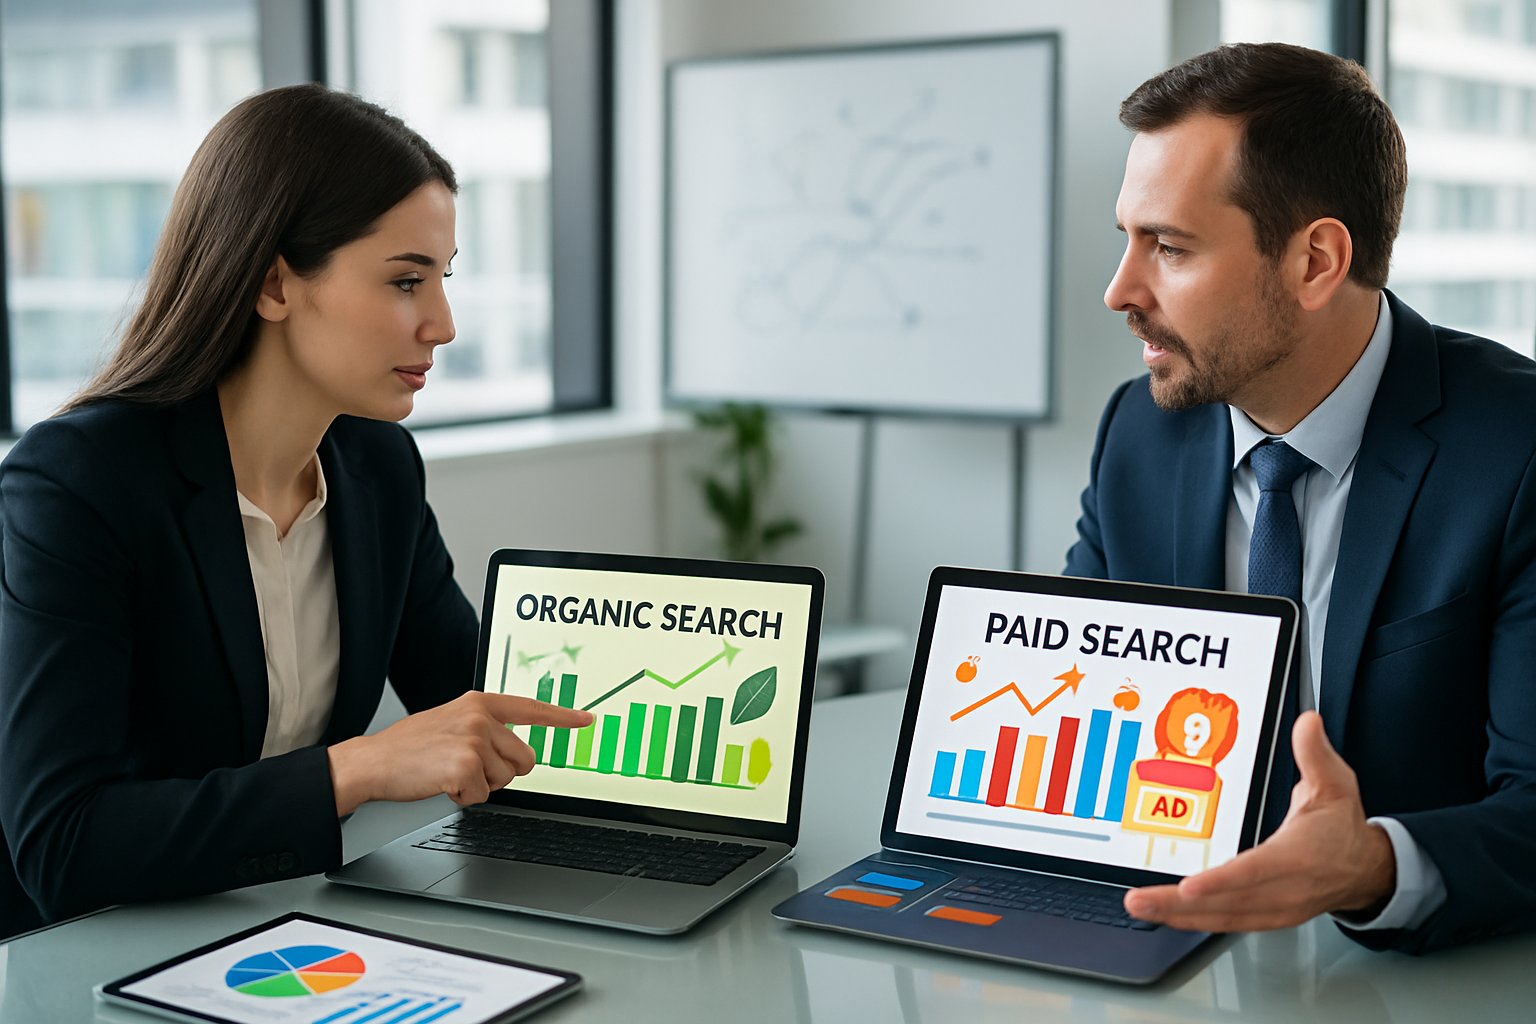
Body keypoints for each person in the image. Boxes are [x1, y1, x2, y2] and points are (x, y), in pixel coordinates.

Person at [0, 84, 591, 940]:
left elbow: (471, 702)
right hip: (83, 953)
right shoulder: (79, 482)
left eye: (442, 280)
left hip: (278, 928)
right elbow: (61, 846)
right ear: (274, 284)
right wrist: (352, 770)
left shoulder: (377, 469)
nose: (444, 324)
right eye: (405, 281)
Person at [1066, 42, 1536, 953]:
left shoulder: (1517, 452)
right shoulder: (1141, 430)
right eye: (1127, 238)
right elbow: (1086, 699)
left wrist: (1371, 866)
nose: (1121, 289)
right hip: (1167, 943)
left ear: (1316, 260)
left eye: (1169, 247)